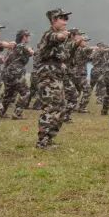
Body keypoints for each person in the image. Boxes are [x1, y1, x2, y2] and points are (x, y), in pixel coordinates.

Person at [35, 9, 74, 149]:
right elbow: (56, 37)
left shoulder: (59, 38)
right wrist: (63, 35)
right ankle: (42, 142)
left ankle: (49, 138)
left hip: (56, 77)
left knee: (61, 108)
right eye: (62, 18)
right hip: (47, 77)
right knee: (50, 108)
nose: (65, 21)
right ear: (53, 20)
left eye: (66, 19)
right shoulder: (49, 35)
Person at [0, 29, 33, 119]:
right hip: (16, 72)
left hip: (7, 72)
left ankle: (1, 113)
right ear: (24, 37)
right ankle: (17, 114)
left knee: (8, 94)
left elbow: (4, 60)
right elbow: (31, 53)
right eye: (28, 36)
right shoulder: (22, 46)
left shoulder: (12, 47)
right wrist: (31, 50)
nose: (29, 38)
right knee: (25, 92)